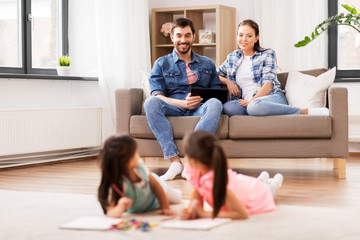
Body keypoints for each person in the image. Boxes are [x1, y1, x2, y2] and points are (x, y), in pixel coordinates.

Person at [143, 17, 223, 181]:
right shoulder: (161, 63)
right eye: (179, 35)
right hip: (174, 106)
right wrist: (182, 103)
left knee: (215, 103)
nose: (183, 40)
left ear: (193, 37)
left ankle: (192, 163)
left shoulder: (207, 63)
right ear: (172, 37)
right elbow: (157, 94)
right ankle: (175, 162)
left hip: (199, 107)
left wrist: (201, 99)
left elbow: (216, 92)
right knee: (151, 103)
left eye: (187, 35)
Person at [217, 19, 329, 116]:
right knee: (227, 107)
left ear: (256, 38)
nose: (244, 39)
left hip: (271, 97)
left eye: (249, 35)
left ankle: (303, 111)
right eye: (240, 35)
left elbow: (269, 84)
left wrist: (252, 101)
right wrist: (227, 81)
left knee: (254, 107)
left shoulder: (267, 54)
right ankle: (259, 112)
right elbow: (216, 74)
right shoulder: (232, 57)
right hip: (245, 103)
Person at [180, 130, 283, 220]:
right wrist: (193, 207)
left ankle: (275, 182)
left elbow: (242, 214)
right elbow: (198, 192)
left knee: (269, 190)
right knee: (256, 183)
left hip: (256, 194)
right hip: (243, 186)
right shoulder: (197, 172)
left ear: (195, 162)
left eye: (187, 156)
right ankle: (262, 178)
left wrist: (204, 214)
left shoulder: (220, 185)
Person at [97, 134, 182, 218]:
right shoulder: (118, 183)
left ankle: (176, 192)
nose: (138, 156)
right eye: (135, 154)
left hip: (157, 195)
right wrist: (121, 206)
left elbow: (156, 186)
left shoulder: (139, 166)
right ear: (126, 162)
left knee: (178, 198)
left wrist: (165, 208)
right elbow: (110, 213)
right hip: (141, 206)